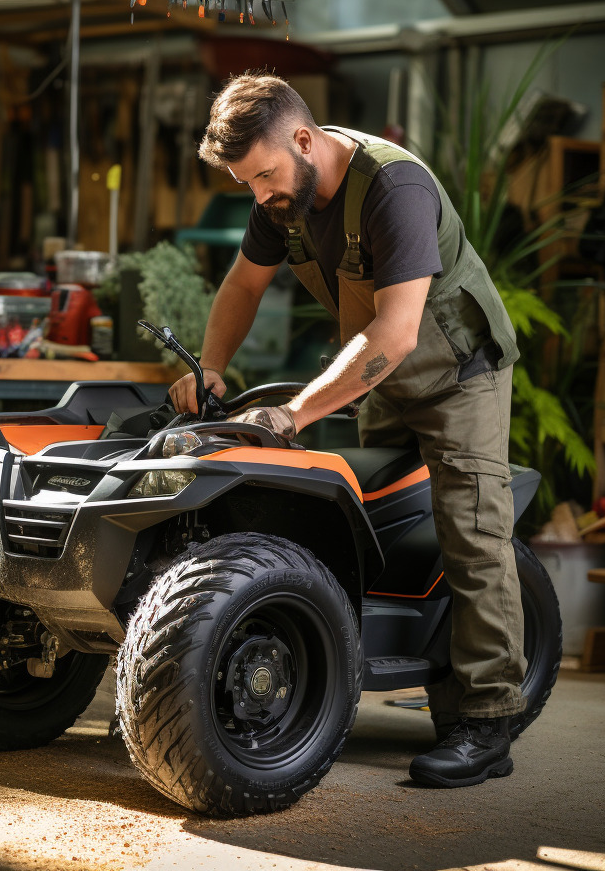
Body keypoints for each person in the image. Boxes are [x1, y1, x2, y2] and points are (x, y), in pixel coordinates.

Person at [170, 71, 526, 789]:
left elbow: (394, 330)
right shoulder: (281, 196)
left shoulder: (396, 189)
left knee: (472, 530)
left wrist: (293, 413)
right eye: (246, 182)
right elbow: (243, 284)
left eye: (265, 174)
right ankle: (357, 670)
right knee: (362, 521)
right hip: (381, 373)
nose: (260, 195)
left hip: (457, 371)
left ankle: (487, 722)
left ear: (304, 140)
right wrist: (211, 366)